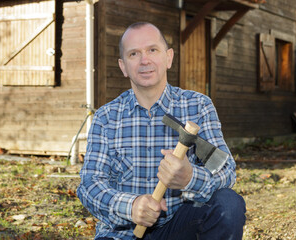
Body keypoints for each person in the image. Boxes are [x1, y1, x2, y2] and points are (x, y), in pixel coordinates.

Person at [77, 22, 246, 240]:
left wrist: (190, 179)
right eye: (134, 53)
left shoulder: (198, 107)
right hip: (122, 234)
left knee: (228, 204)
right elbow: (89, 186)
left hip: (180, 228)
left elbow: (226, 172)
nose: (144, 60)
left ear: (169, 58)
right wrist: (131, 206)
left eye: (152, 50)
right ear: (123, 66)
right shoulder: (106, 118)